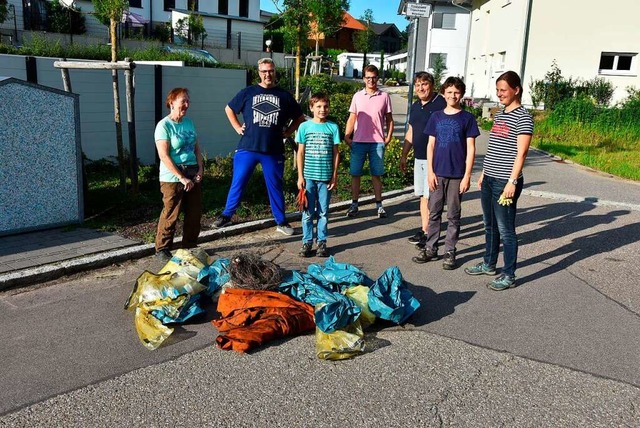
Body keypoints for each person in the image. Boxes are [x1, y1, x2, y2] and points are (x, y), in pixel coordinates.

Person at [213, 58, 305, 235]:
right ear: (259, 73)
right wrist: (237, 127)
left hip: (273, 150)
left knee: (275, 186)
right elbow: (229, 108)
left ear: (275, 72)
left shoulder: (284, 95)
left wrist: (288, 132)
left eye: (270, 71)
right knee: (238, 182)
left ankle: (281, 221)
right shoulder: (248, 92)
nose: (267, 74)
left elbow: (299, 118)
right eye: (264, 71)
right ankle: (226, 216)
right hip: (248, 147)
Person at [464, 71, 534, 290]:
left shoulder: (523, 117)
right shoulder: (501, 114)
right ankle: (488, 263)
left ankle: (509, 274)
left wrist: (512, 182)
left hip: (506, 183)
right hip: (490, 178)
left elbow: (521, 153)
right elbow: (494, 147)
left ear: (516, 90)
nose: (499, 94)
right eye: (498, 90)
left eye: (503, 90)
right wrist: (484, 172)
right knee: (489, 225)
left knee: (506, 230)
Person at [413, 76, 479, 270]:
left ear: (462, 94)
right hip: (438, 174)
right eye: (449, 92)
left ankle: (450, 250)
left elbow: (471, 148)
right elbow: (430, 145)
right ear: (443, 93)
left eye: (456, 92)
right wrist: (430, 172)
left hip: (457, 175)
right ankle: (431, 247)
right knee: (434, 213)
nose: (453, 95)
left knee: (453, 215)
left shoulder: (467, 118)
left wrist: (467, 175)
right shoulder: (436, 117)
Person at [154, 88, 204, 261]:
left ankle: (189, 246)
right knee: (171, 212)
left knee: (194, 212)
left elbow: (197, 149)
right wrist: (181, 177)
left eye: (188, 101)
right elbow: (164, 155)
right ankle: (162, 249)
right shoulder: (164, 125)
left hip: (192, 171)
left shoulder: (189, 123)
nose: (186, 105)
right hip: (172, 176)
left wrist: (200, 170)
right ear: (172, 102)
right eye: (183, 101)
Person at [400, 71, 447, 248]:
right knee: (423, 196)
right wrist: (404, 154)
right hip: (419, 158)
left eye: (424, 84)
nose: (421, 88)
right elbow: (411, 131)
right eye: (418, 85)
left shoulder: (440, 104)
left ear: (432, 85)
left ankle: (431, 235)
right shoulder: (415, 105)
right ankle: (425, 229)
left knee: (432, 197)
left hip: (435, 159)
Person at [344, 64, 394, 219]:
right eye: (368, 78)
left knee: (376, 175)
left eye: (374, 78)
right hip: (358, 141)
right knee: (355, 174)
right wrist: (347, 136)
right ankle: (354, 205)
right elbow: (352, 117)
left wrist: (389, 137)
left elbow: (389, 119)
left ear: (377, 78)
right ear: (364, 79)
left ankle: (379, 205)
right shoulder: (357, 96)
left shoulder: (384, 97)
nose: (371, 80)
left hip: (377, 143)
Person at [296, 93, 341, 258]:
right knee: (307, 212)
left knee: (323, 212)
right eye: (319, 106)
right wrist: (300, 176)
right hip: (308, 178)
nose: (322, 110)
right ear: (311, 108)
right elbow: (300, 152)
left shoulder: (333, 127)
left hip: (326, 179)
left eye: (325, 106)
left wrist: (334, 176)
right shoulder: (304, 127)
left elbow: (336, 153)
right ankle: (307, 242)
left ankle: (321, 242)